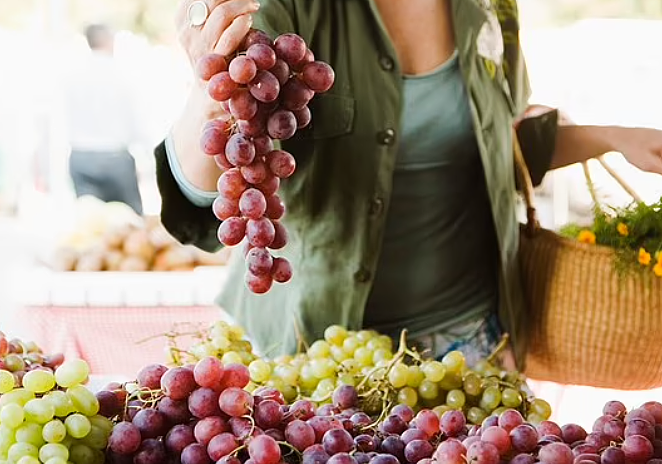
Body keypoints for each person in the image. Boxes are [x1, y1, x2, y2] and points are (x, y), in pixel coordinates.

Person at [154, 0, 662, 368]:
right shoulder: (287, 8)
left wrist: (610, 137)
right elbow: (206, 190)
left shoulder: (491, 8)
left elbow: (495, 146)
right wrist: (210, 91)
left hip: (475, 344)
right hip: (320, 360)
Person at [63, 23, 144, 215]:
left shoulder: (73, 74)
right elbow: (137, 119)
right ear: (109, 41)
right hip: (115, 157)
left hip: (81, 156)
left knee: (91, 225)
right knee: (131, 226)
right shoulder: (122, 73)